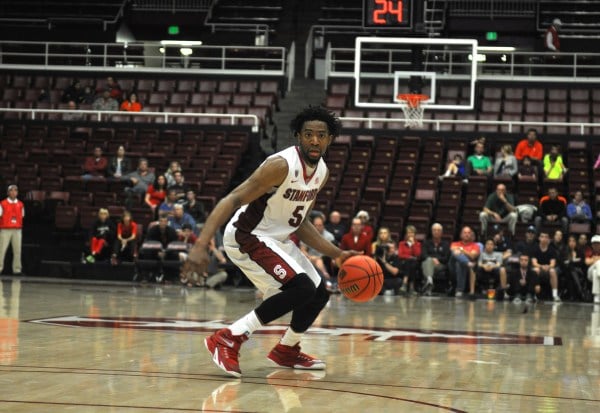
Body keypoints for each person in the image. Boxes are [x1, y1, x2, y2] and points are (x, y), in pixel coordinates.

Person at [182, 106, 356, 378]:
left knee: (319, 291)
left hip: (277, 239)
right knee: (301, 287)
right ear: (298, 136)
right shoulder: (281, 165)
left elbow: (301, 224)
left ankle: (287, 350)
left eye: (321, 135)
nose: (314, 140)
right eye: (308, 134)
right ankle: (229, 337)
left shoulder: (321, 172)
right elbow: (232, 199)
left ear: (329, 139)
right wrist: (200, 245)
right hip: (247, 236)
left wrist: (338, 254)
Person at [300, 215, 336, 292]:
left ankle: (325, 279)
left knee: (318, 260)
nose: (317, 227)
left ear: (323, 226)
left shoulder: (329, 236)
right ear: (313, 226)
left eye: (320, 225)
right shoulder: (307, 235)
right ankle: (326, 279)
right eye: (315, 225)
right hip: (310, 258)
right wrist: (308, 256)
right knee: (314, 259)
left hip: (325, 259)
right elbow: (303, 250)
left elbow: (332, 252)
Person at [449, 226, 480, 298]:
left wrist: (462, 250)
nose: (467, 234)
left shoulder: (475, 245)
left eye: (469, 233)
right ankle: (468, 263)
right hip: (452, 267)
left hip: (466, 269)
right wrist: (467, 255)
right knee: (454, 254)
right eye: (465, 232)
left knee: (459, 263)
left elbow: (473, 256)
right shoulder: (454, 243)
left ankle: (460, 290)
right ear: (461, 235)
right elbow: (453, 251)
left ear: (471, 235)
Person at [0, 185, 25, 275]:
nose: (13, 192)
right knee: (1, 250)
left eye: (15, 190)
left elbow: (22, 216)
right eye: (11, 190)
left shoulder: (21, 204)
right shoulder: (2, 203)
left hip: (17, 230)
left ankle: (17, 270)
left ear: (17, 192)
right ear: (8, 192)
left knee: (17, 250)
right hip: (5, 230)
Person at [420, 222, 450, 295]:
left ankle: (428, 281)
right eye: (434, 230)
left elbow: (446, 258)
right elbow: (423, 255)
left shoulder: (445, 244)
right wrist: (432, 259)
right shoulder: (426, 243)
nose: (436, 232)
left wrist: (437, 260)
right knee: (428, 261)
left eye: (438, 230)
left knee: (427, 263)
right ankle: (429, 281)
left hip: (440, 265)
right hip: (428, 263)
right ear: (431, 231)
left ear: (441, 232)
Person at [531, 231, 561, 302]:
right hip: (539, 268)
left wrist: (548, 267)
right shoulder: (535, 248)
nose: (544, 238)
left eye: (546, 237)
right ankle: (534, 294)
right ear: (539, 238)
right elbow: (534, 263)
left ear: (549, 239)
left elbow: (553, 264)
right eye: (542, 237)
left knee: (553, 271)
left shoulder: (552, 249)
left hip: (548, 269)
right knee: (536, 270)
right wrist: (541, 266)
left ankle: (555, 295)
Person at [397, 224, 421, 295]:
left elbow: (418, 254)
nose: (410, 234)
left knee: (412, 263)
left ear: (415, 234)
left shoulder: (418, 244)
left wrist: (413, 244)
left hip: (414, 264)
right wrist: (410, 257)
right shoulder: (402, 243)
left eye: (412, 233)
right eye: (409, 233)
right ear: (406, 234)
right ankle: (411, 287)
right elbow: (400, 255)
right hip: (403, 263)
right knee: (409, 261)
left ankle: (404, 283)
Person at [585, 235, 600, 304]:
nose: (596, 245)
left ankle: (597, 296)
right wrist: (596, 260)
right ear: (592, 244)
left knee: (595, 273)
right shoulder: (589, 251)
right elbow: (587, 262)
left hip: (595, 273)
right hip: (589, 273)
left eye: (598, 243)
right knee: (598, 263)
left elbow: (591, 260)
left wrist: (594, 259)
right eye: (594, 243)